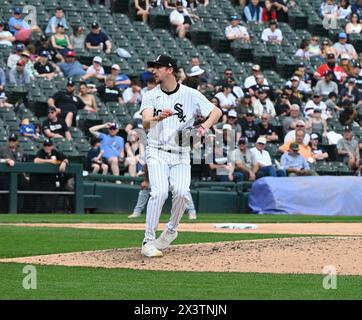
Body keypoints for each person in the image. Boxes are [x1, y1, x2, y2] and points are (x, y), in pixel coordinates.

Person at [139, 54, 221, 257]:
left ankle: (171, 230)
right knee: (159, 192)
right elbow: (145, 124)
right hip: (156, 150)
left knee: (182, 192)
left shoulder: (191, 94)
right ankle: (148, 241)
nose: (154, 71)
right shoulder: (150, 95)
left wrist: (203, 127)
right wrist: (158, 117)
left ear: (169, 70)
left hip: (181, 153)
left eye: (157, 67)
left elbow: (216, 112)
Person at [128, 164, 198, 220]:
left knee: (184, 190)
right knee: (145, 188)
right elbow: (148, 164)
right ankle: (137, 211)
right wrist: (146, 180)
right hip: (160, 177)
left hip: (174, 175)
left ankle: (192, 211)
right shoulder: (156, 149)